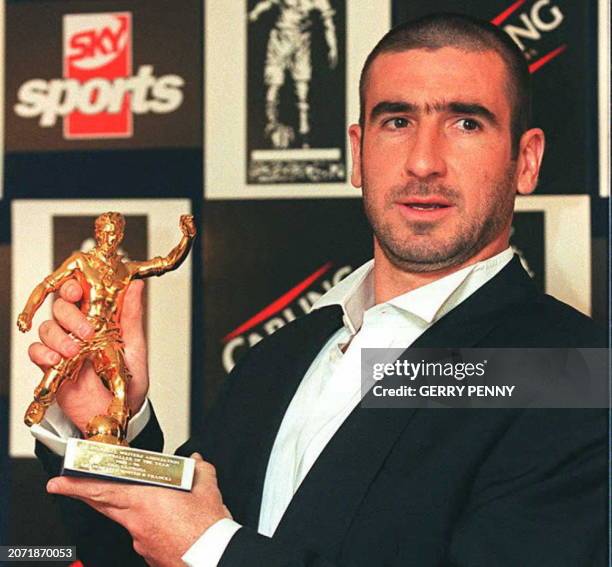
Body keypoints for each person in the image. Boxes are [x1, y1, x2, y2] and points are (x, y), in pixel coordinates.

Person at [30, 14, 606, 567]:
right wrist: (110, 425)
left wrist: (212, 550)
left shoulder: (569, 372)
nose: (424, 162)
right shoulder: (283, 356)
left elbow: (199, 549)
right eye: (397, 121)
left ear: (525, 161)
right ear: (358, 152)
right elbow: (149, 552)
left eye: (466, 123)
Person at [18, 212, 196, 444]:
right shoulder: (81, 262)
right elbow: (47, 284)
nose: (109, 238)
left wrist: (187, 238)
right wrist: (27, 312)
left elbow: (165, 263)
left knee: (121, 383)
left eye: (114, 234)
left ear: (120, 235)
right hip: (82, 332)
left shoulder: (126, 269)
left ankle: (116, 435)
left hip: (108, 337)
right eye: (105, 233)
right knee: (56, 373)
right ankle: (40, 402)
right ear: (97, 233)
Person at [248, 0, 338, 148]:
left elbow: (328, 23)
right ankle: (271, 124)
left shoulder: (318, 2)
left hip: (301, 41)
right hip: (280, 39)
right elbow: (268, 3)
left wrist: (332, 46)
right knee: (273, 85)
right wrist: (254, 13)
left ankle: (304, 131)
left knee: (302, 87)